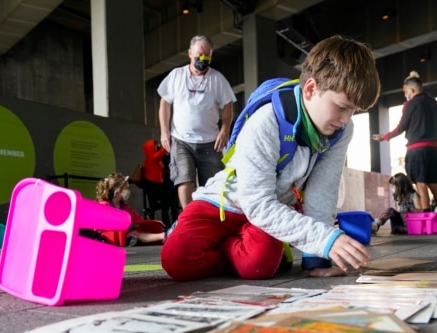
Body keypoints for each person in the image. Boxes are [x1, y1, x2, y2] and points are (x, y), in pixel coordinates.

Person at [161, 35, 381, 281]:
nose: (346, 119)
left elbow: (322, 193)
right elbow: (255, 202)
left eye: (354, 110)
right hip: (222, 203)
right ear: (310, 89)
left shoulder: (341, 131)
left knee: (259, 266)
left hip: (264, 213)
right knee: (176, 261)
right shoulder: (268, 120)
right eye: (341, 107)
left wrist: (318, 258)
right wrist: (325, 239)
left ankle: (225, 246)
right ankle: (210, 240)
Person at [157, 35, 237, 209]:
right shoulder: (176, 75)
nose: (203, 60)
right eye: (199, 55)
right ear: (190, 53)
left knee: (213, 184)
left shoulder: (218, 79)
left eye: (207, 56)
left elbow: (228, 105)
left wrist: (225, 129)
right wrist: (164, 132)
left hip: (210, 142)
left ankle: (210, 220)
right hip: (181, 139)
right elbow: (165, 103)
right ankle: (188, 217)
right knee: (184, 179)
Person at [372, 71, 437, 231]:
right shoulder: (436, 104)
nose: (405, 95)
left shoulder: (411, 104)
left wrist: (385, 137)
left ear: (412, 90)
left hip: (417, 149)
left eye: (405, 91)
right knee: (433, 184)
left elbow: (402, 126)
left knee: (420, 183)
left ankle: (427, 217)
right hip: (433, 148)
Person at [95, 173, 166, 246]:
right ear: (119, 190)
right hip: (107, 239)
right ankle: (164, 236)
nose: (128, 191)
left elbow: (140, 220)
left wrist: (153, 225)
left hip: (122, 237)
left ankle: (163, 236)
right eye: (126, 188)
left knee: (135, 233)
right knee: (135, 234)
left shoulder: (125, 207)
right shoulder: (103, 206)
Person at [141, 139, 173, 228]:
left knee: (157, 205)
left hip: (156, 185)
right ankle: (151, 224)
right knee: (155, 206)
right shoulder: (151, 157)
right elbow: (159, 154)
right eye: (155, 145)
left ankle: (151, 224)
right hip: (151, 185)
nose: (157, 146)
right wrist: (166, 145)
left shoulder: (153, 158)